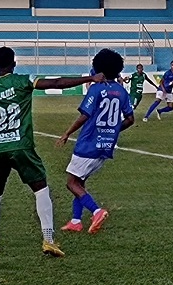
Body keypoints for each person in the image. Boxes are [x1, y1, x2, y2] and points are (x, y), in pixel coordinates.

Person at [0, 46, 104, 257]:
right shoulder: (23, 81)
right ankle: (48, 240)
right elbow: (57, 83)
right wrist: (90, 78)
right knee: (41, 190)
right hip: (21, 146)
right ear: (14, 63)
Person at [56, 49, 134, 234]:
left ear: (98, 69)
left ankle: (96, 211)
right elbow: (130, 120)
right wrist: (112, 131)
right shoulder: (121, 91)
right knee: (80, 182)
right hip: (105, 145)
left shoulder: (96, 88)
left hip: (88, 144)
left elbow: (85, 115)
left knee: (71, 183)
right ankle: (76, 221)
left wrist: (67, 133)